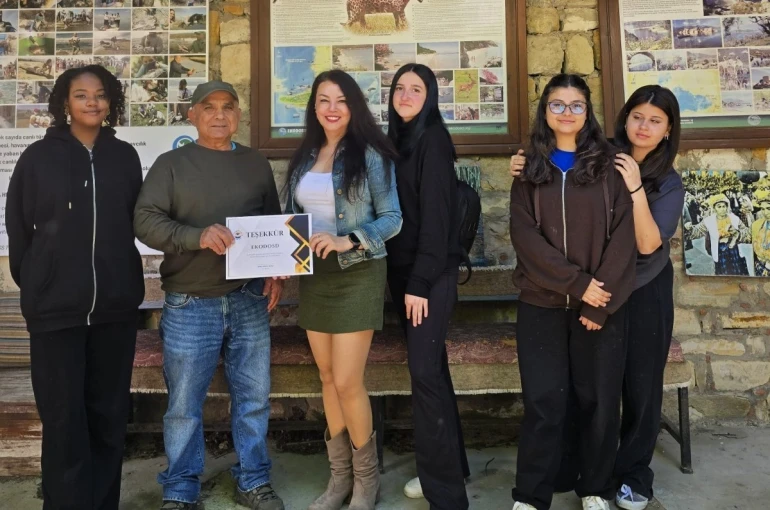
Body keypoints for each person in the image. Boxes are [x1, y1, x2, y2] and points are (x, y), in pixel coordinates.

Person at [510, 84, 684, 510]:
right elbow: (525, 234)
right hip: (556, 298)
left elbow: (636, 244)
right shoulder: (562, 161)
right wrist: (579, 285)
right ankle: (544, 489)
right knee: (551, 399)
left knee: (619, 395)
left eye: (655, 120)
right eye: (638, 117)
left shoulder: (644, 176)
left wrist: (596, 299)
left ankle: (615, 482)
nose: (644, 126)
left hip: (626, 295)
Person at [134, 81, 286, 510]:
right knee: (183, 406)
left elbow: (273, 224)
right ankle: (181, 489)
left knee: (254, 399)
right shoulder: (172, 164)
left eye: (229, 108)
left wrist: (276, 273)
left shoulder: (255, 164)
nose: (220, 115)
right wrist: (196, 236)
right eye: (209, 107)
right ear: (193, 115)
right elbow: (145, 221)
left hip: (249, 301)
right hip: (189, 302)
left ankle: (254, 480)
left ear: (239, 116)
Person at [6, 64, 144, 510]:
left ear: (111, 101)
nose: (92, 103)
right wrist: (38, 285)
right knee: (64, 422)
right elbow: (18, 228)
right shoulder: (37, 158)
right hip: (54, 314)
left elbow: (133, 221)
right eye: (81, 95)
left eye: (100, 95)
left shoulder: (124, 157)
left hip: (114, 312)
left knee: (107, 419)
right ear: (65, 102)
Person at [284, 69, 401, 510]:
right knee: (328, 378)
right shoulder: (305, 155)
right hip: (314, 276)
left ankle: (366, 481)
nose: (331, 109)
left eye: (341, 100)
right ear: (313, 107)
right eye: (322, 100)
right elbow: (293, 217)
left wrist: (346, 240)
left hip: (357, 272)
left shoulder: (370, 154)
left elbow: (393, 219)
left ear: (354, 106)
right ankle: (339, 480)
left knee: (350, 381)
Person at [384, 63, 470, 510]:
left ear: (430, 96)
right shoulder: (397, 141)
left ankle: (446, 495)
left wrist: (418, 283)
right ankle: (452, 467)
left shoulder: (433, 140)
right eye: (400, 87)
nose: (406, 94)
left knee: (424, 376)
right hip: (406, 275)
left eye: (417, 89)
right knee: (432, 369)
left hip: (428, 277)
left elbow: (437, 222)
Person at [685, 193, 750, 275]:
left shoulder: (734, 219)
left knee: (738, 273)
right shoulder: (709, 221)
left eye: (724, 206)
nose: (722, 209)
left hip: (734, 250)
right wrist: (688, 229)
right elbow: (696, 232)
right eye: (719, 207)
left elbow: (746, 232)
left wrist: (737, 234)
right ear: (714, 208)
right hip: (720, 251)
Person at [752, 190, 770, 276]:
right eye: (763, 209)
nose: (765, 213)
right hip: (759, 267)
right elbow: (747, 237)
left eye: (769, 208)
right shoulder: (757, 224)